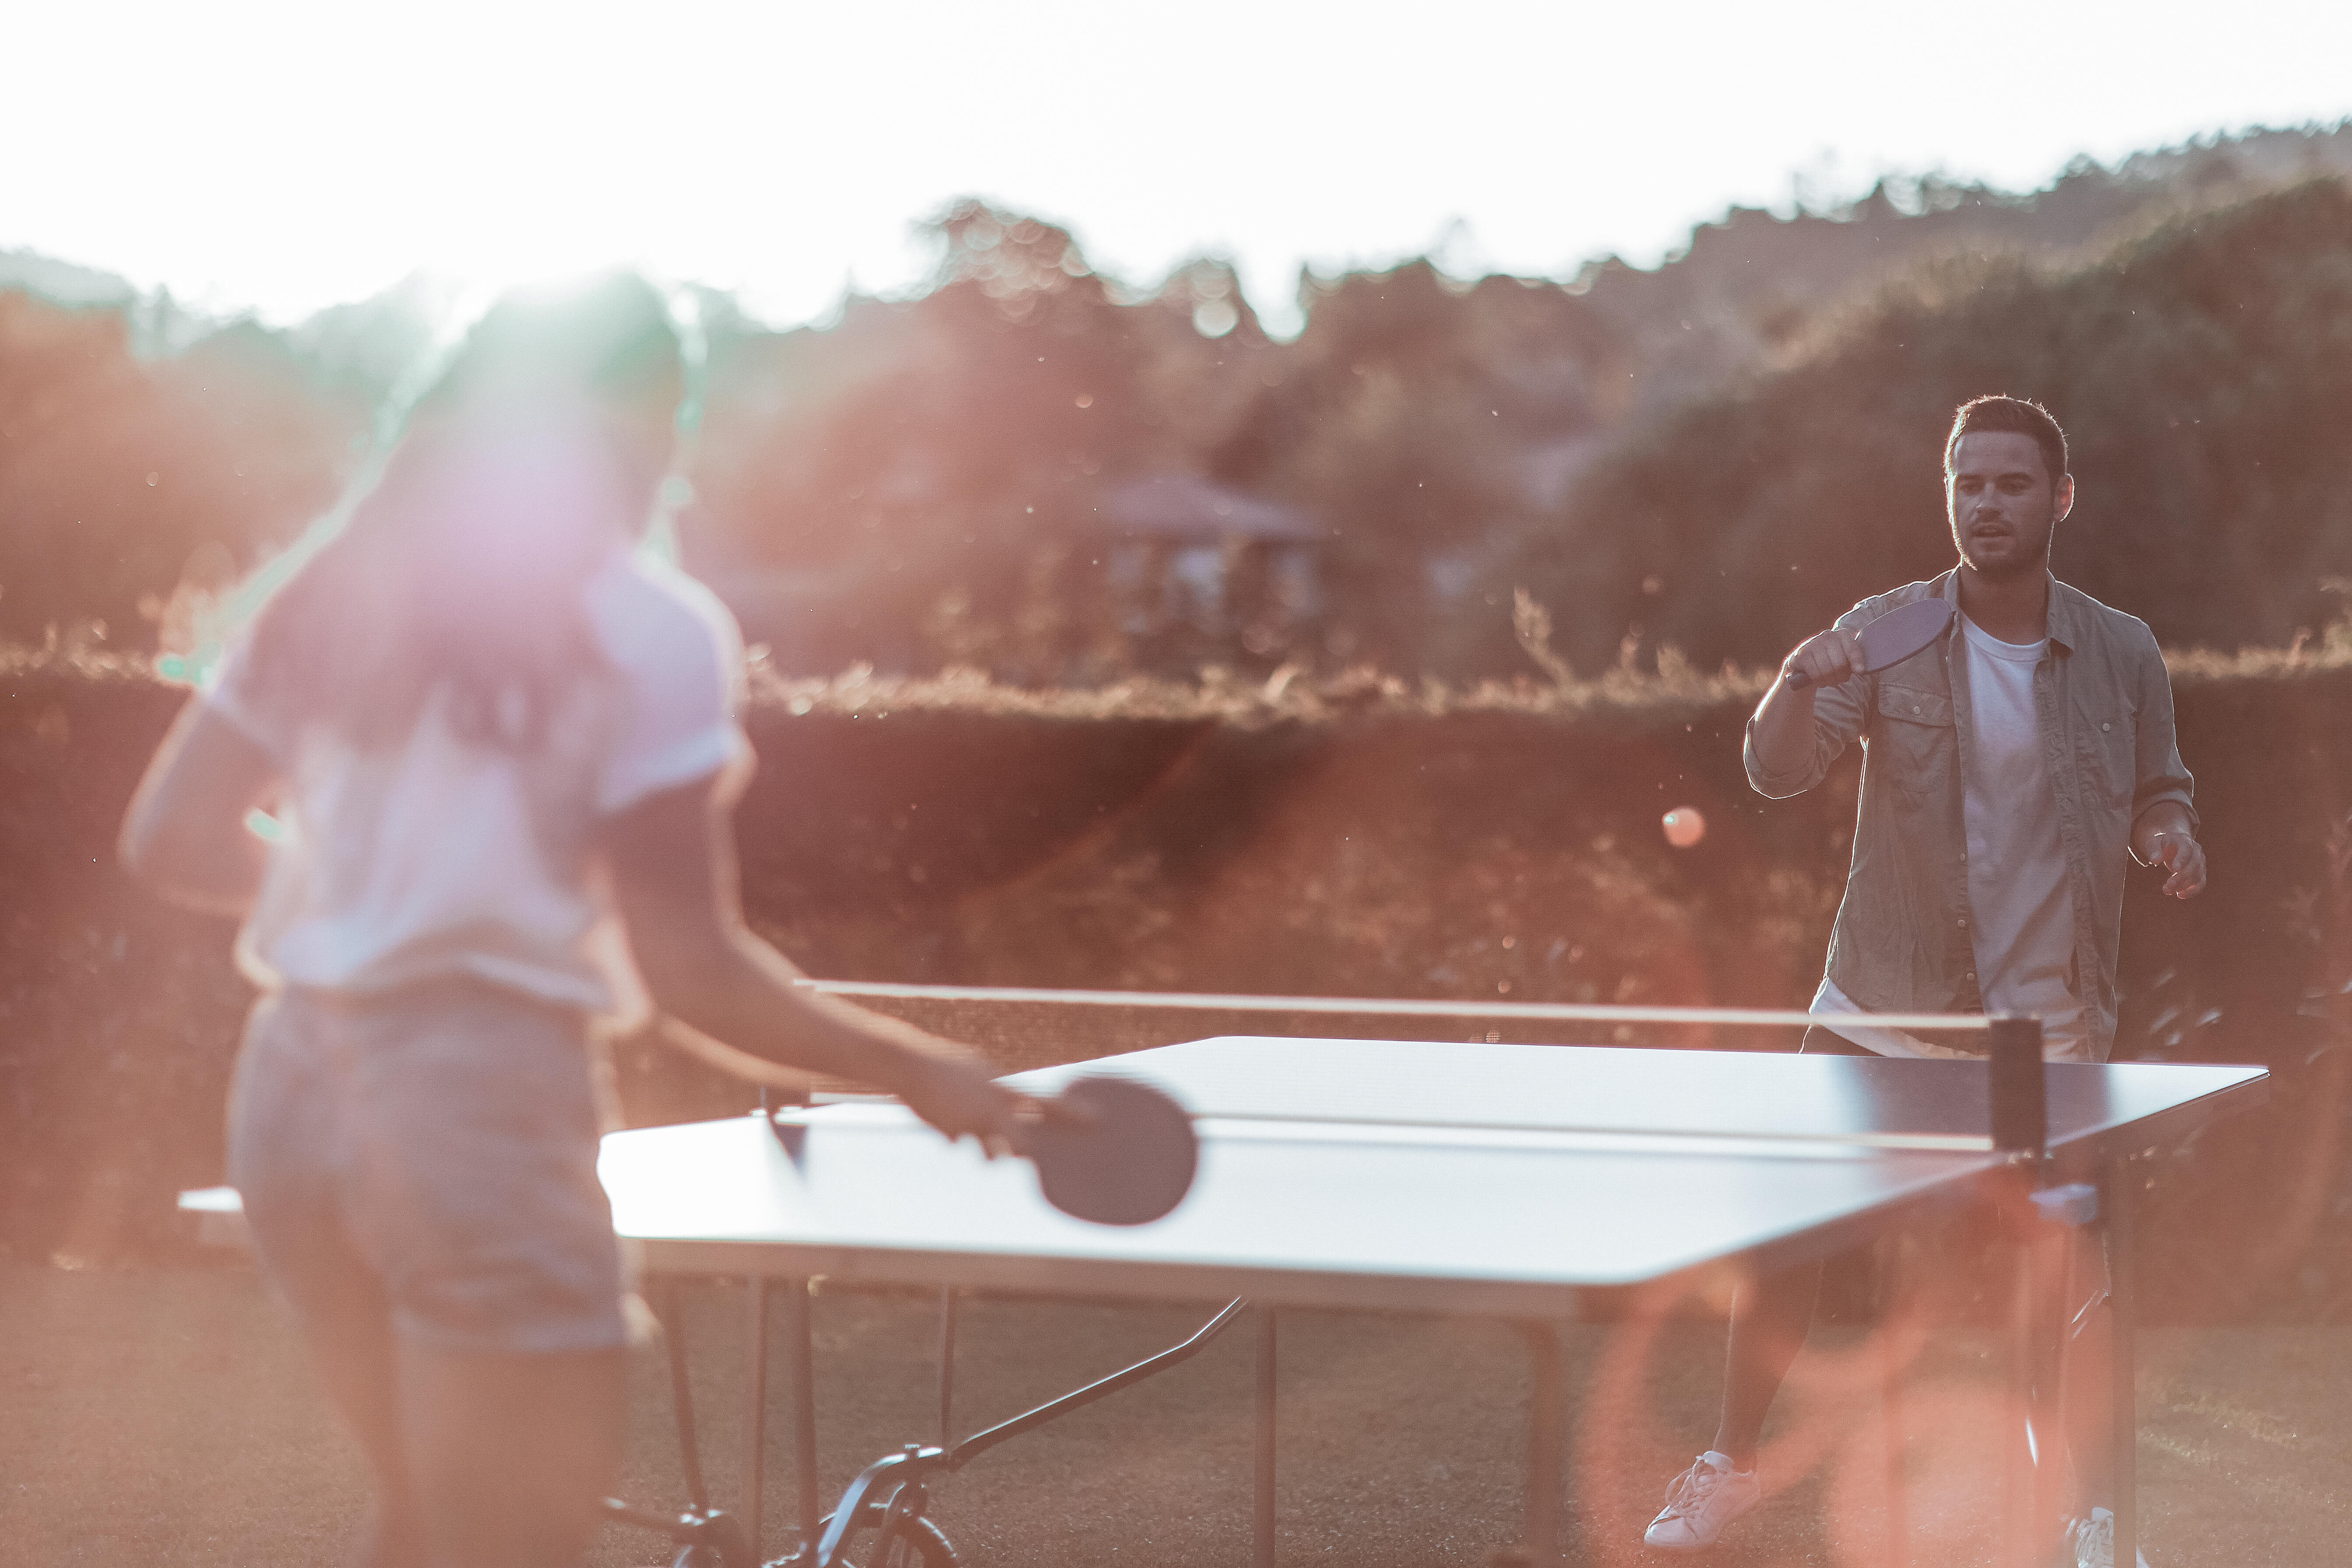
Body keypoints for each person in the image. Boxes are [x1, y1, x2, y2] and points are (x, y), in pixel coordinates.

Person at [118, 275, 1026, 1568]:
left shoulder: (328, 598)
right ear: (656, 424)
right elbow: (695, 970)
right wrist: (916, 1068)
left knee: (425, 1526)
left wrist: (355, 907)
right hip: (471, 1108)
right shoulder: (652, 633)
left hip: (293, 1094)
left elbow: (169, 841)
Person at [1641, 395, 2204, 1564]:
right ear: (1945, 495)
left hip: (2047, 1029)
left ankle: (2084, 1512)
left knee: (2069, 1275)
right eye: (1965, 482)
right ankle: (1732, 1463)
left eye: (2008, 483)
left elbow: (2161, 785)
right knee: (1786, 1240)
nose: (1984, 502)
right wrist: (1797, 679)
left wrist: (2168, 835)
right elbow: (1775, 770)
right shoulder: (1882, 631)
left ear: (2057, 498)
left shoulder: (2121, 649)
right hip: (1879, 1011)